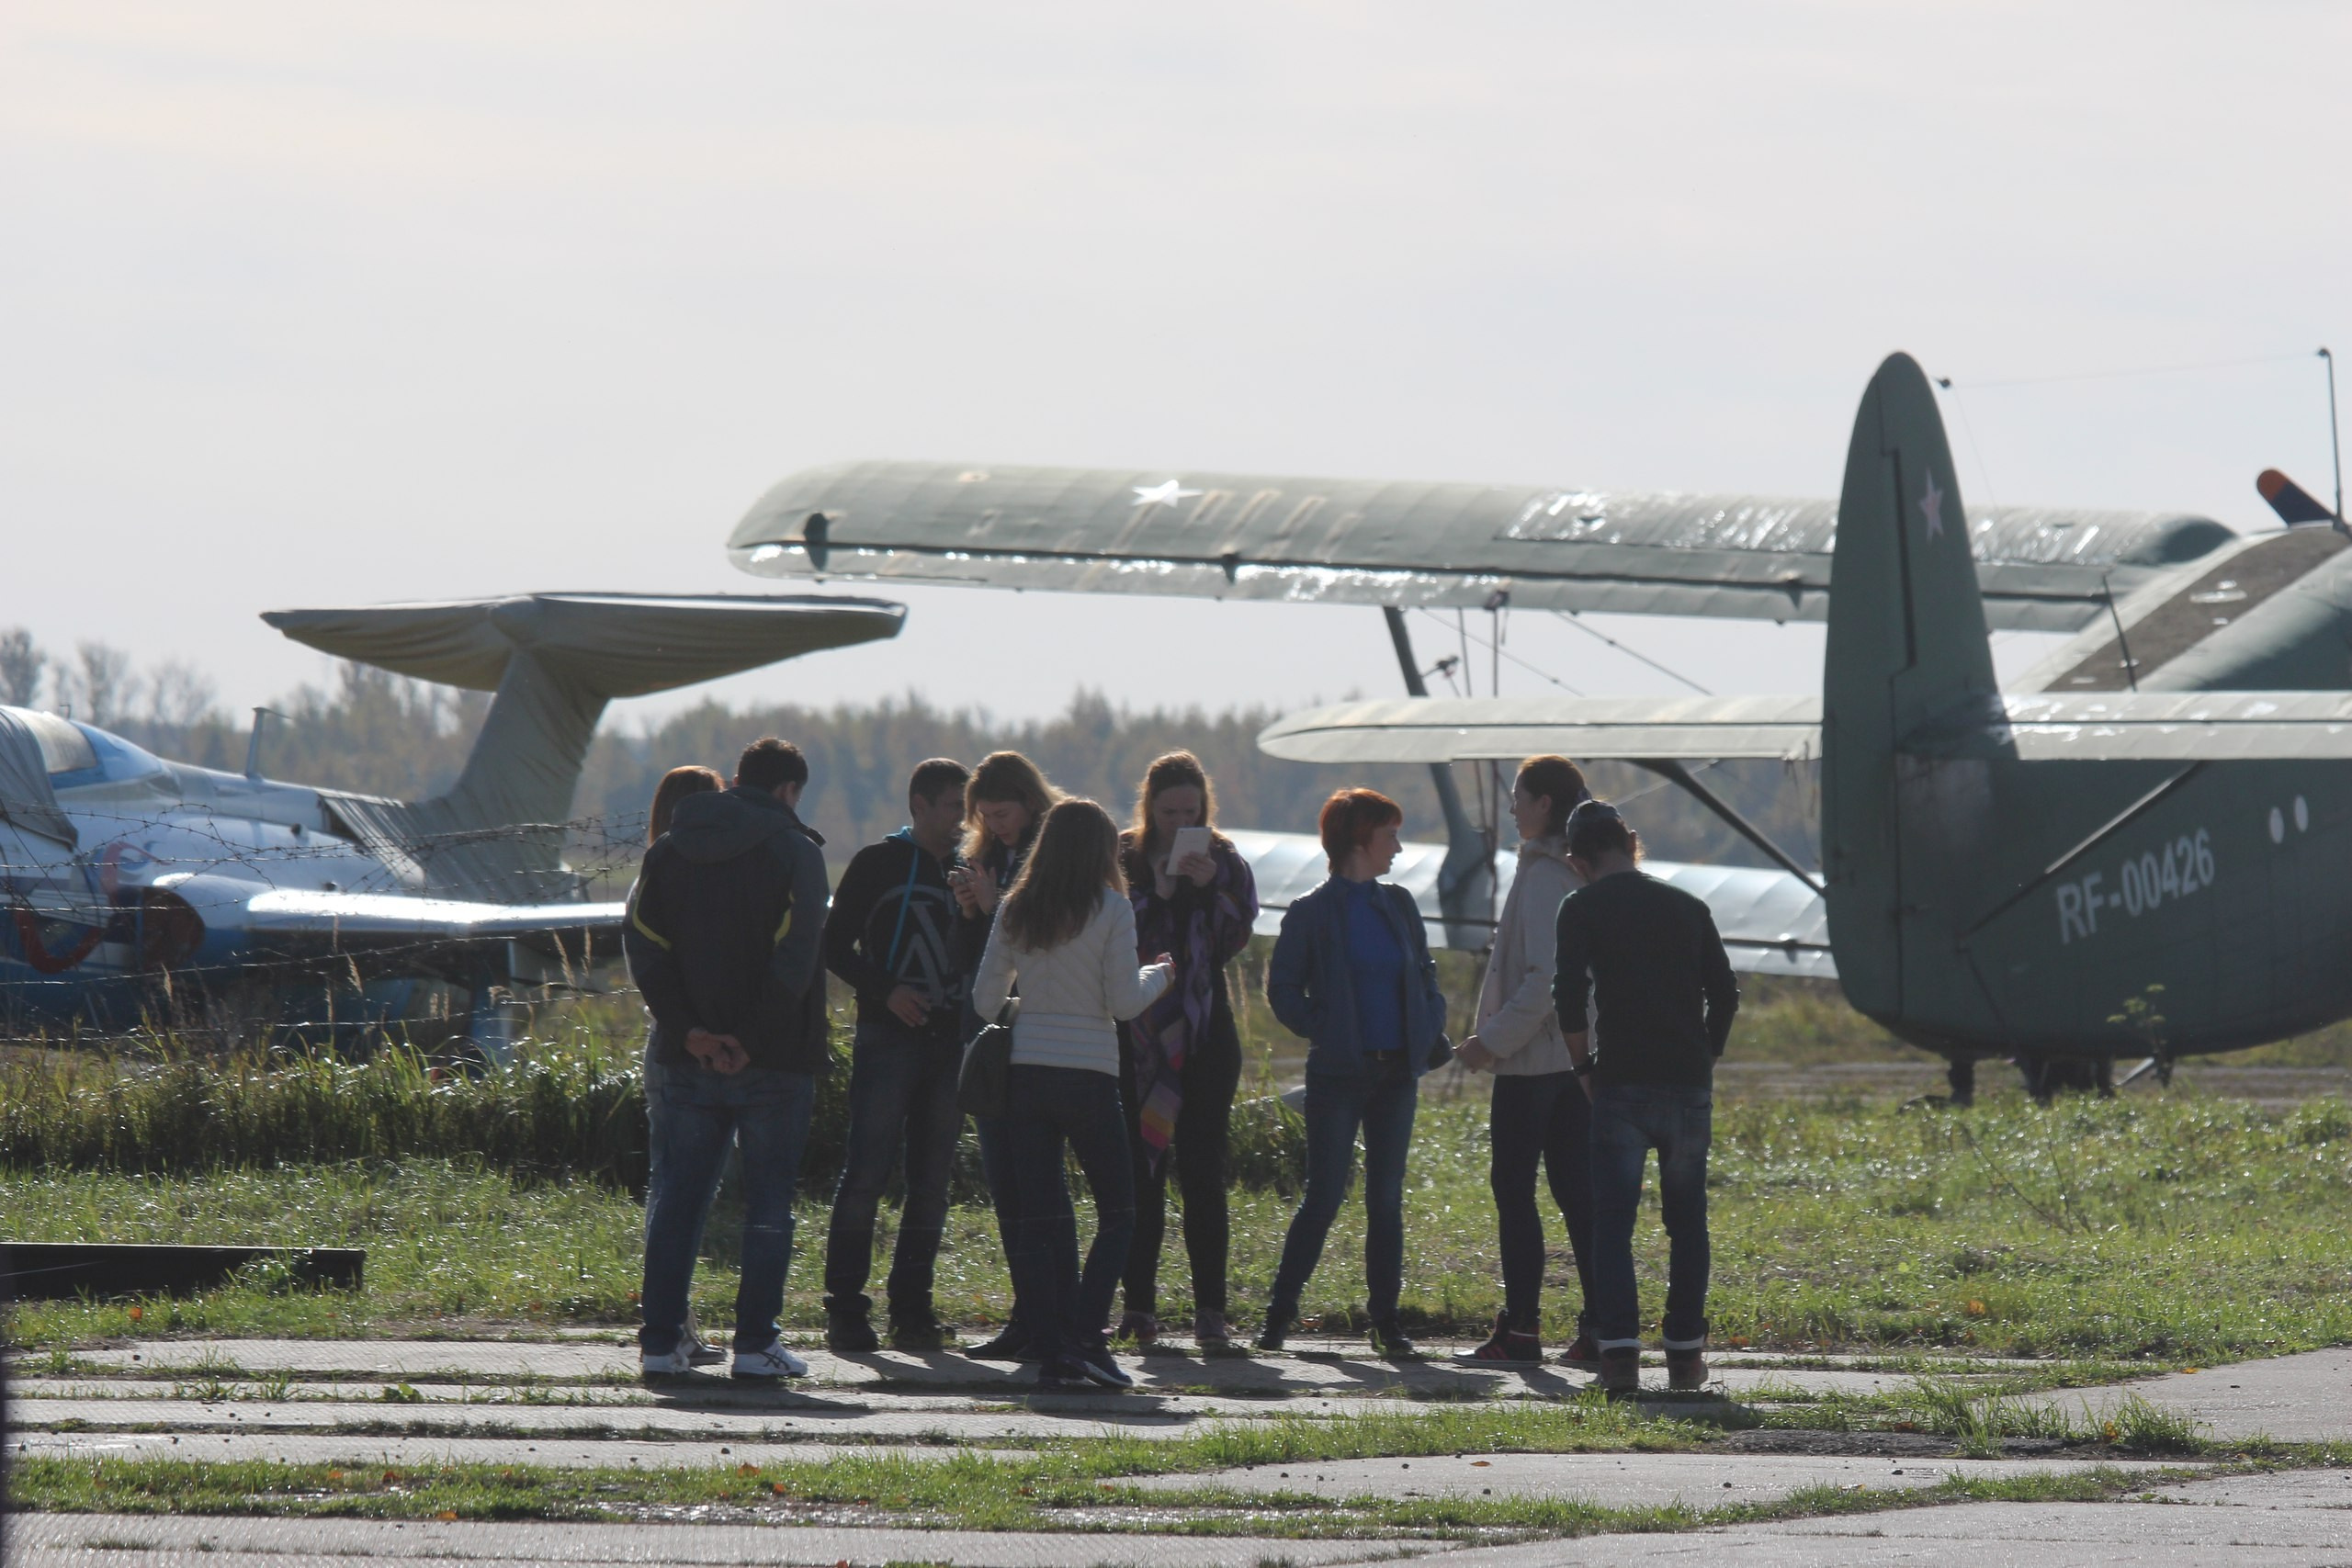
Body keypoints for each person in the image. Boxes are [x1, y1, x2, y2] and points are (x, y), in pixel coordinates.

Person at [625, 737, 832, 1381]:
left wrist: (689, 1031)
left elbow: (643, 943)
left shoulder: (668, 848)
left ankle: (661, 1342)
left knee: (678, 1201)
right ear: (788, 791)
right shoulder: (796, 851)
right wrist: (748, 1036)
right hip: (774, 1060)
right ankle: (755, 1343)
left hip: (685, 1058)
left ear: (738, 779)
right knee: (768, 1205)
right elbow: (796, 955)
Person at [972, 798, 1172, 1388]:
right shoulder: (1112, 908)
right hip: (1088, 1076)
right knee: (1120, 1211)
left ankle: (1051, 1345)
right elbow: (1124, 1003)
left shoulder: (1015, 907)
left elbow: (985, 1001)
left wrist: (1033, 1010)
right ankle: (1087, 1335)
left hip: (1025, 1076)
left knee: (1039, 1219)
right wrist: (1160, 974)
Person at [1551, 799, 1739, 1395]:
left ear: (1577, 861)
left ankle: (1620, 1358)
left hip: (1620, 1083)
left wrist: (1583, 1066)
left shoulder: (1580, 907)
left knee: (1612, 1223)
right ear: (1631, 840)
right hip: (1686, 1083)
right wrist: (1704, 1056)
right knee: (1687, 1221)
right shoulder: (1688, 906)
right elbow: (1726, 993)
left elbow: (1568, 997)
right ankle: (1684, 1355)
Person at [1259, 788, 1449, 1359]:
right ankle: (1278, 1315)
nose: (1398, 847)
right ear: (1360, 839)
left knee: (1385, 1200)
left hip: (1397, 1074)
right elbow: (1283, 989)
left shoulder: (1399, 903)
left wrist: (1431, 1018)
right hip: (1338, 1074)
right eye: (1390, 835)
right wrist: (1327, 1027)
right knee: (1323, 1196)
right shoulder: (1311, 912)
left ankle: (1387, 1322)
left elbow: (1425, 972)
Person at [820, 757, 974, 1353]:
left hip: (951, 1044)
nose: (962, 819)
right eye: (953, 806)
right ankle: (845, 1310)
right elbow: (833, 946)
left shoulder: (974, 868)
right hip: (886, 1040)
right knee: (866, 1174)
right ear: (919, 805)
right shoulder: (877, 863)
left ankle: (912, 1311)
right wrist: (886, 990)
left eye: (968, 808)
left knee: (931, 1182)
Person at [1456, 756, 1600, 1367]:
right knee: (1578, 1195)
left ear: (1544, 804)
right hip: (1574, 1060)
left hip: (1531, 1063)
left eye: (1519, 796)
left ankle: (1521, 1329)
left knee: (1515, 1191)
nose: (1512, 806)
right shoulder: (1579, 869)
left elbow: (1546, 977)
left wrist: (1491, 1041)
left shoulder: (1543, 876)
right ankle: (1601, 1327)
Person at [1114, 751, 1259, 1348]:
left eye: (1190, 812)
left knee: (1202, 1172)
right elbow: (1112, 932)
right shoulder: (1124, 856)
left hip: (1203, 1032)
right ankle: (1138, 1308)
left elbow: (1236, 934)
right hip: (1139, 1030)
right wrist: (1159, 890)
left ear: (1204, 809)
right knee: (1140, 1174)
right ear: (1150, 806)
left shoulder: (1225, 860)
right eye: (1169, 812)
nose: (1179, 823)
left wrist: (1205, 890)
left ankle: (1210, 1312)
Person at [949, 750, 1065, 1360]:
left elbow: (1042, 946)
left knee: (1037, 1183)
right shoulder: (987, 857)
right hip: (990, 1034)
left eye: (1003, 814)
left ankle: (1050, 1316)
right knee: (1005, 1183)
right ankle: (1027, 1312)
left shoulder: (1053, 857)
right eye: (985, 817)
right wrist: (971, 910)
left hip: (1038, 1035)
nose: (995, 826)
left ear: (1029, 802)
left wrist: (995, 906)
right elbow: (971, 958)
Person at [639, 763, 728, 1367]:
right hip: (679, 1047)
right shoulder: (673, 878)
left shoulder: (656, 875)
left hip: (669, 1042)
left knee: (673, 1187)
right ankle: (671, 1324)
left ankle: (675, 1320)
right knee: (678, 1192)